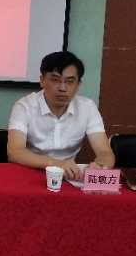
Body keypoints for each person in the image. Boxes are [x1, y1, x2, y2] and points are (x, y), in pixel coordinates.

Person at [7, 51, 115, 180]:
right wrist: (57, 164)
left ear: (78, 85)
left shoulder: (87, 107)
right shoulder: (24, 106)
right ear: (42, 80)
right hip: (31, 173)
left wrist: (100, 166)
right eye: (55, 80)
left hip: (68, 176)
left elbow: (105, 152)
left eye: (70, 81)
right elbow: (15, 152)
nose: (62, 88)